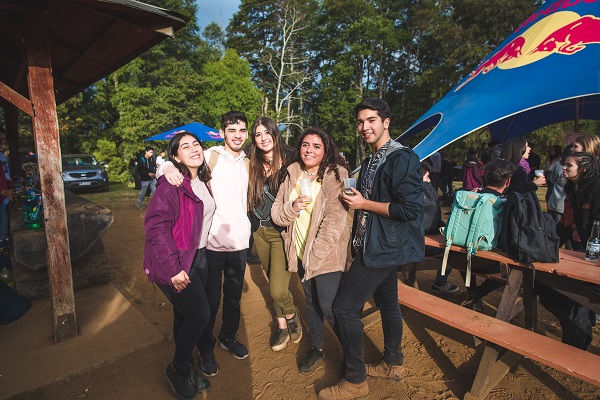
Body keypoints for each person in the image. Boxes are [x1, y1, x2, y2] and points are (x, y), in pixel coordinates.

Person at [318, 98, 424, 400]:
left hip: (383, 249)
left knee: (344, 308)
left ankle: (355, 381)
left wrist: (364, 203)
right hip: (375, 243)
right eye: (361, 121)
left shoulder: (401, 158)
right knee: (388, 302)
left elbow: (410, 209)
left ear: (385, 122)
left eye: (371, 120)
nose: (365, 127)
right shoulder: (375, 158)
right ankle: (393, 363)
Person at [161, 111, 251, 376]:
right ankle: (206, 350)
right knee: (209, 302)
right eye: (231, 130)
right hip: (210, 245)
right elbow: (172, 162)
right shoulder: (210, 155)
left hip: (240, 243)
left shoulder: (248, 162)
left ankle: (228, 336)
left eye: (242, 130)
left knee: (233, 299)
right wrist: (166, 167)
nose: (237, 135)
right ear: (222, 133)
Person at [271, 127, 350, 374]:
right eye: (306, 145)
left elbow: (335, 223)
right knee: (312, 306)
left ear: (326, 150)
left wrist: (313, 260)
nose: (310, 150)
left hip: (325, 257)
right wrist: (293, 206)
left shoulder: (336, 175)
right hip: (300, 254)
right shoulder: (292, 174)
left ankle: (351, 355)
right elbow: (277, 214)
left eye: (317, 146)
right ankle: (317, 348)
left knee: (329, 306)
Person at [143, 132, 215, 399]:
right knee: (200, 316)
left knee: (185, 315)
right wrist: (174, 268)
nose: (194, 148)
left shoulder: (202, 180)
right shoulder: (171, 184)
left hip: (200, 257)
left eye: (196, 144)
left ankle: (184, 366)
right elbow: (156, 227)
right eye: (185, 147)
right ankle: (177, 368)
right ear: (175, 157)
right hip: (174, 261)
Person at [246, 117, 302, 352]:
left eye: (266, 132)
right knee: (271, 279)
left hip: (282, 232)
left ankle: (291, 315)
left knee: (278, 289)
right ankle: (281, 325)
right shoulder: (250, 161)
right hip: (259, 230)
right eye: (258, 135)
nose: (263, 138)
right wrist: (168, 166)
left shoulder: (291, 159)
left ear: (275, 133)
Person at [536, 151, 600, 350]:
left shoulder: (596, 188)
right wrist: (547, 246)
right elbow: (565, 224)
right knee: (545, 285)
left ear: (584, 169)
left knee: (581, 295)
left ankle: (578, 340)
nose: (563, 168)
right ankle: (577, 338)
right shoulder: (573, 189)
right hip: (587, 253)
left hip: (593, 254)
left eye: (569, 165)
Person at [453, 158, 516, 311]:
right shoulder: (506, 204)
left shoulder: (464, 197)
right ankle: (477, 294)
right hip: (490, 264)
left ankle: (472, 291)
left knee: (467, 249)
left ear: (485, 176)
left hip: (458, 260)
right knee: (514, 272)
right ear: (508, 181)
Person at [421, 161, 459, 295]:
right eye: (427, 177)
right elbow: (430, 222)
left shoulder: (403, 191)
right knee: (454, 252)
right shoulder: (424, 192)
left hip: (405, 244)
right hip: (420, 246)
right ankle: (440, 282)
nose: (430, 180)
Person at [0, 128, 14, 237]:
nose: (1, 141)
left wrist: (11, 187)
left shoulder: (2, 156)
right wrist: (2, 191)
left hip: (4, 200)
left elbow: (6, 175)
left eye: (3, 139)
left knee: (4, 233)